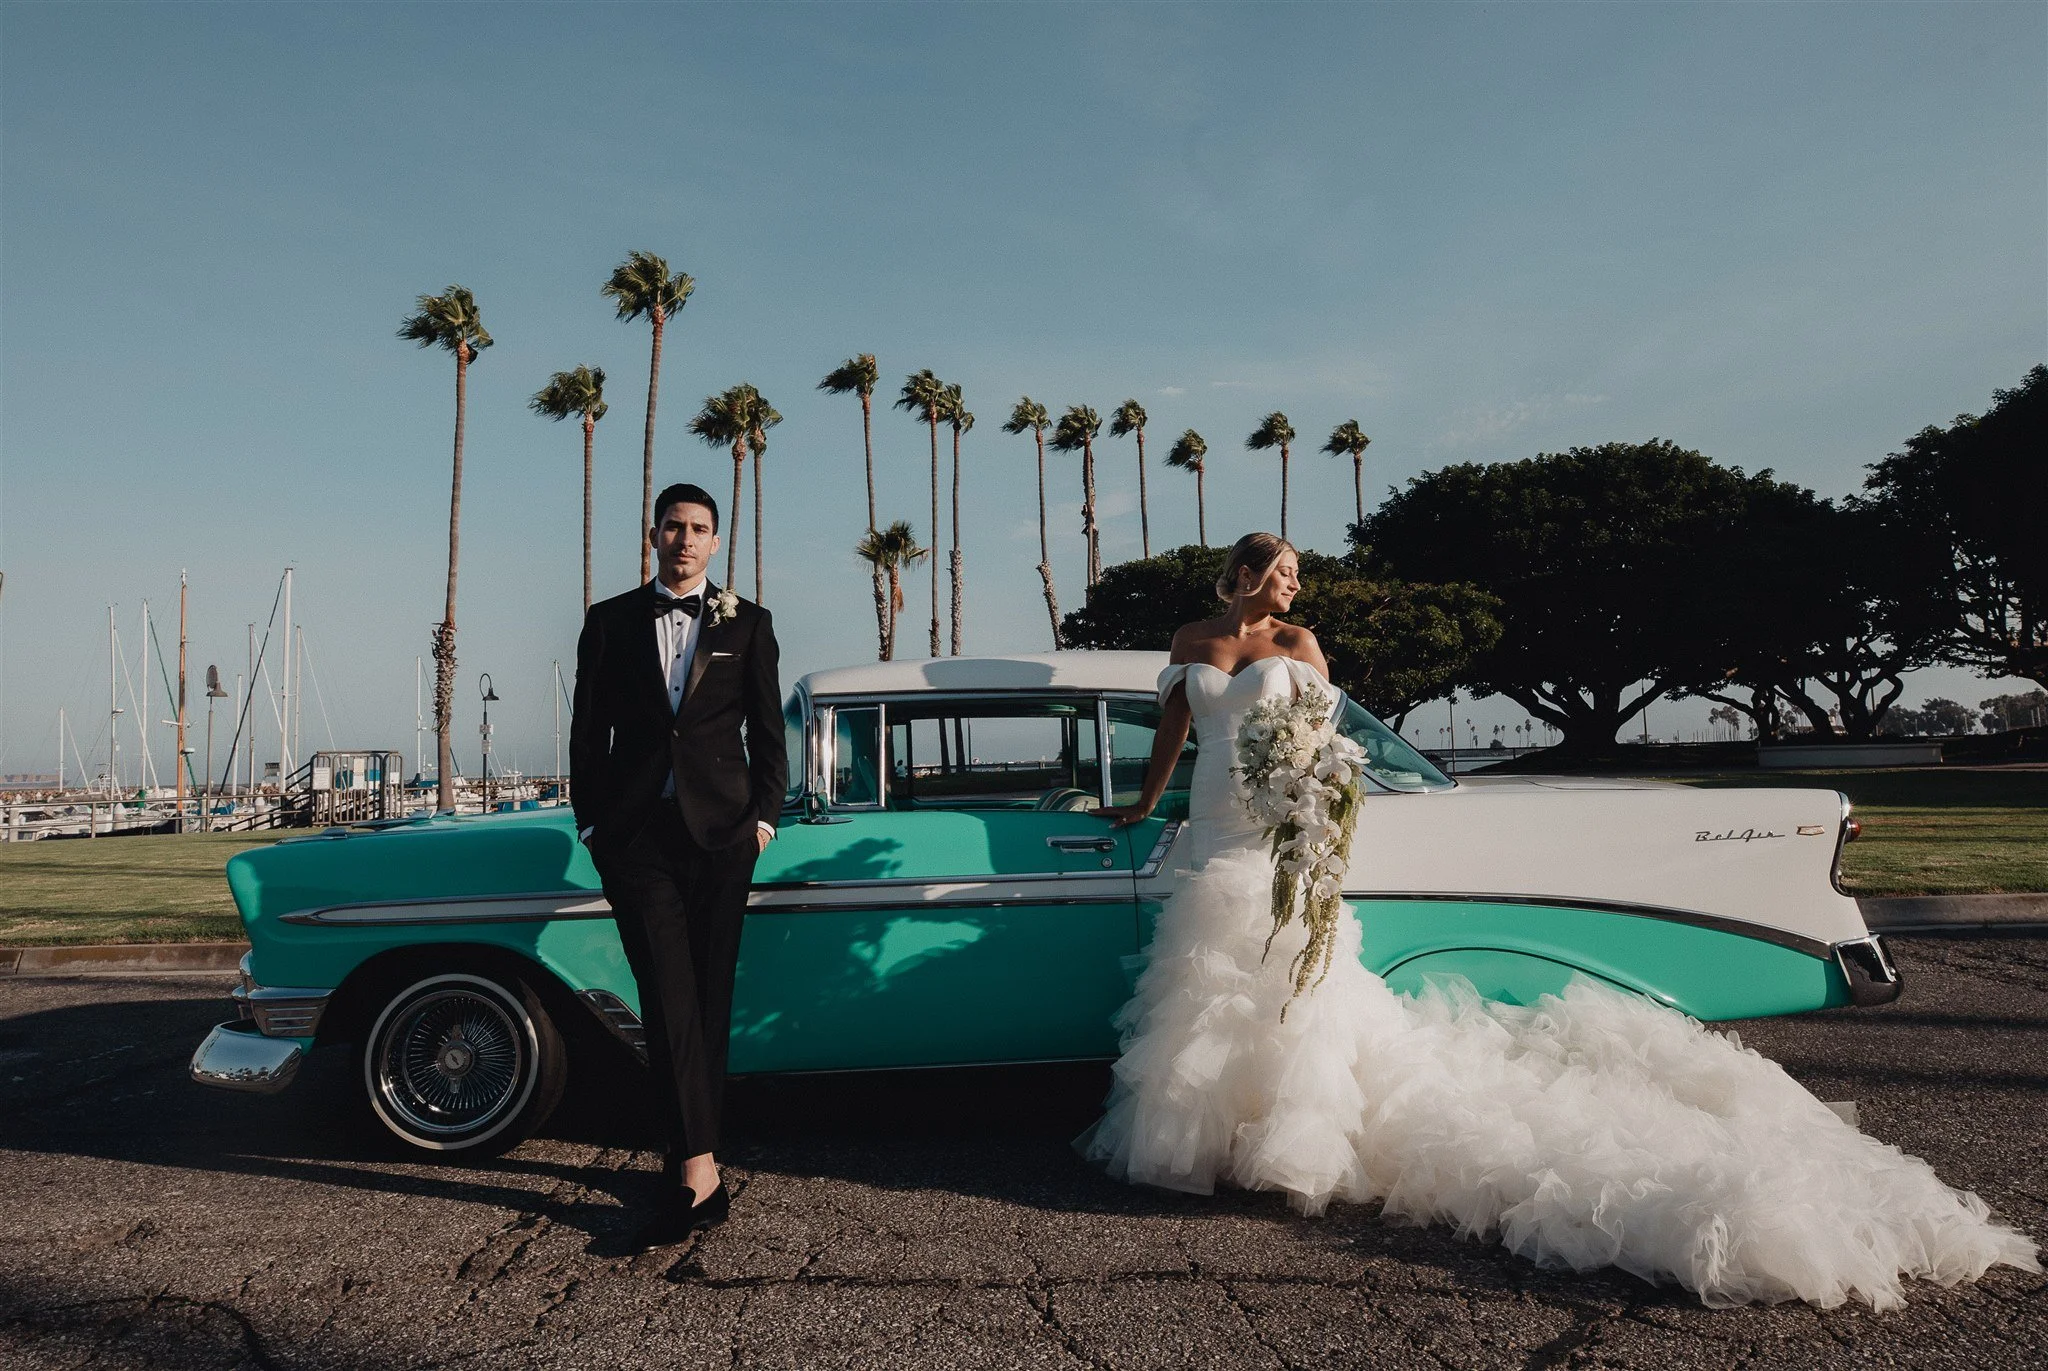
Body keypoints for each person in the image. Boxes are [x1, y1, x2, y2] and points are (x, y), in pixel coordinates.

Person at [1083, 531, 2037, 1309]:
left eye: (1299, 576)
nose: (1293, 588)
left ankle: (1284, 1142)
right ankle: (1210, 1138)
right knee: (1208, 983)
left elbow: (1328, 746)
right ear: (1245, 574)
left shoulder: (1300, 650)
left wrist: (1319, 812)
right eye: (1281, 573)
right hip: (1212, 830)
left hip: (1285, 828)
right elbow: (1173, 733)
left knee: (1291, 977)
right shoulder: (1190, 639)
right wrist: (1139, 805)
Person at [570, 482, 785, 1249]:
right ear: (653, 535)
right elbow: (587, 731)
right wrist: (592, 824)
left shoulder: (748, 623)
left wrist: (763, 819)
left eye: (698, 529)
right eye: (673, 527)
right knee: (664, 994)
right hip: (635, 840)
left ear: (716, 541)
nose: (685, 539)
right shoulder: (610, 621)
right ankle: (697, 1170)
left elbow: (768, 732)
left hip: (724, 836)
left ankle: (697, 1157)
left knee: (708, 996)